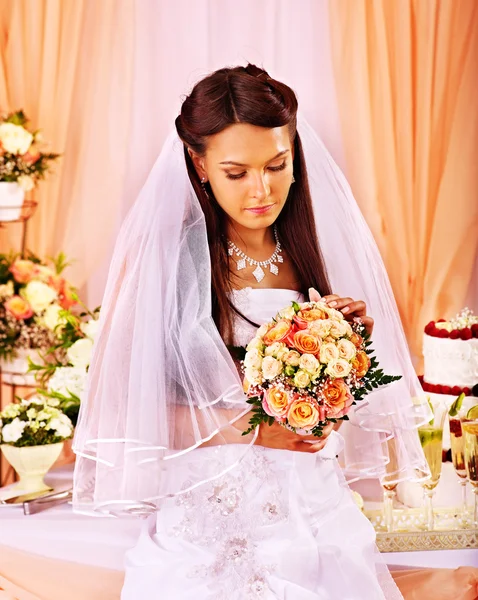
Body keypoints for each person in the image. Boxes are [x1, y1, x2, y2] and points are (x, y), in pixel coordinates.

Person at [72, 64, 478, 599]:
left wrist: (349, 348)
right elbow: (129, 417)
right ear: (199, 166)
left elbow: (330, 403)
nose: (261, 190)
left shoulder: (313, 250)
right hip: (212, 521)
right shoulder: (166, 260)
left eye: (277, 166)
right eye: (236, 173)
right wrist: (256, 430)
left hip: (316, 503)